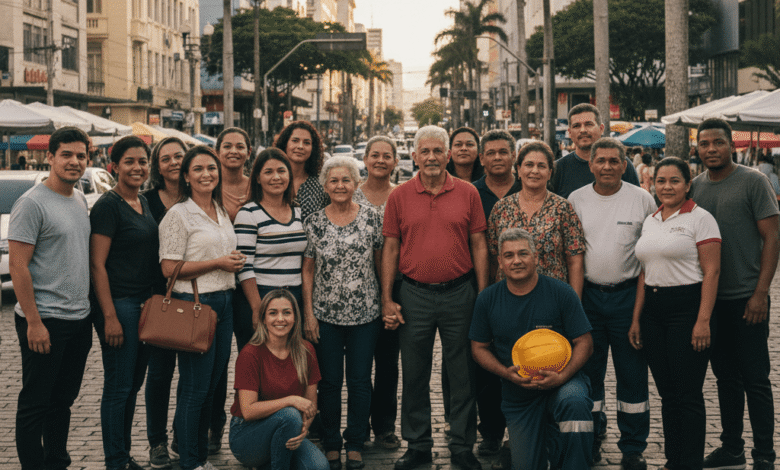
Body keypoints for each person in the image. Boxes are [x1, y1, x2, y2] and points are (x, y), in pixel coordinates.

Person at [383, 125, 488, 470]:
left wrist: (483, 296)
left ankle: (461, 444)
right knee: (414, 374)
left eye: (437, 151)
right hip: (414, 295)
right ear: (413, 156)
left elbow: (478, 244)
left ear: (447, 155)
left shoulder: (468, 192)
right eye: (424, 151)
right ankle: (418, 444)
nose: (430, 157)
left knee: (462, 373)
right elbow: (391, 247)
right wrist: (387, 297)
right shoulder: (398, 196)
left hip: (460, 293)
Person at [691, 118, 780, 470]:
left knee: (756, 379)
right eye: (705, 143)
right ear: (696, 148)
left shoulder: (753, 182)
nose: (711, 149)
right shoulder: (694, 187)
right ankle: (732, 447)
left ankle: (764, 455)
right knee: (725, 378)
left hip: (747, 299)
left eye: (718, 142)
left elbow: (772, 238)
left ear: (732, 146)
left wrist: (761, 293)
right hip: (711, 302)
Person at [470, 228, 594, 470]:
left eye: (523, 253)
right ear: (500, 262)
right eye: (509, 255)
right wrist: (506, 373)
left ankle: (575, 464)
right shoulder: (487, 299)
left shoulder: (561, 293)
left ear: (536, 257)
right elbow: (479, 348)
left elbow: (585, 343)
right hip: (519, 395)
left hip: (564, 382)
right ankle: (548, 443)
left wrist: (562, 376)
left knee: (575, 403)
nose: (516, 260)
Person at [568, 137, 656, 470]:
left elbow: (649, 258)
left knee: (632, 375)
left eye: (613, 161)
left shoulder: (642, 200)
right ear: (590, 164)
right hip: (588, 297)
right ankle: (591, 437)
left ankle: (633, 447)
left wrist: (638, 313)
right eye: (600, 160)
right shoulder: (576, 199)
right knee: (589, 374)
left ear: (624, 164)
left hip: (628, 298)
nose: (607, 166)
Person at [628, 156, 722, 470]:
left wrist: (703, 320)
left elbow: (712, 272)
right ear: (652, 183)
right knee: (667, 393)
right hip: (653, 312)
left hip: (687, 309)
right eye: (661, 181)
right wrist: (636, 318)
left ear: (688, 184)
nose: (667, 187)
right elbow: (644, 272)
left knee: (688, 393)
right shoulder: (651, 219)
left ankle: (691, 462)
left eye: (674, 181)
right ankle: (674, 460)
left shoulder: (701, 218)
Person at [8, 127, 93, 470]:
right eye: (67, 155)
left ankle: (57, 462)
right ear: (51, 157)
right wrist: (34, 322)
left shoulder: (79, 198)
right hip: (45, 319)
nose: (74, 162)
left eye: (81, 156)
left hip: (78, 318)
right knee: (35, 403)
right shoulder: (31, 203)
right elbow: (18, 266)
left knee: (63, 401)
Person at [158, 145, 246, 470]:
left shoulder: (220, 211)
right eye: (198, 169)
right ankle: (191, 461)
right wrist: (218, 262)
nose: (206, 174)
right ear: (186, 177)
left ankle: (197, 455)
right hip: (196, 304)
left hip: (224, 302)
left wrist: (229, 262)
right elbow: (169, 268)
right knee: (195, 389)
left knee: (211, 387)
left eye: (211, 168)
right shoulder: (179, 215)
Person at [302, 156, 384, 470]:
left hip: (366, 314)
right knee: (331, 383)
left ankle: (355, 442)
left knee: (361, 382)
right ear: (325, 186)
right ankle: (332, 442)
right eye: (333, 181)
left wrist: (384, 300)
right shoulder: (314, 222)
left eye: (346, 180)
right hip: (326, 315)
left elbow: (380, 264)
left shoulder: (372, 218)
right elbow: (307, 271)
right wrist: (309, 314)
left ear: (355, 183)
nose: (340, 186)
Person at [89, 135, 157, 470]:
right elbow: (96, 264)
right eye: (129, 161)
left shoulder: (142, 202)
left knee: (132, 386)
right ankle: (116, 460)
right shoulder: (108, 205)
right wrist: (109, 317)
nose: (137, 167)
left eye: (142, 161)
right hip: (121, 307)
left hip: (145, 307)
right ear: (113, 166)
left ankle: (124, 455)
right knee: (118, 387)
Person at [228, 289, 328, 470]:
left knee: (319, 467)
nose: (280, 319)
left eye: (287, 313)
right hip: (247, 436)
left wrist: (305, 427)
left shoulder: (306, 351)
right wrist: (291, 400)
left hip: (290, 430)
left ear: (295, 318)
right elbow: (248, 410)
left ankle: (272, 463)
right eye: (273, 313)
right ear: (263, 319)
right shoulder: (250, 354)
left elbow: (310, 404)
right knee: (290, 414)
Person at [469, 130, 522, 461]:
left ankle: (521, 432)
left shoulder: (530, 185)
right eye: (491, 153)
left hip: (528, 292)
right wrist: (482, 291)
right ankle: (490, 432)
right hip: (487, 292)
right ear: (482, 158)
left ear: (513, 156)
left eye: (504, 152)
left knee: (524, 359)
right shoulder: (472, 193)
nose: (498, 157)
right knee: (487, 367)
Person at [354, 136, 402, 449]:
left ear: (396, 161)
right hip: (355, 288)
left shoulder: (403, 195)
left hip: (396, 286)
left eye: (387, 156)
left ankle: (384, 426)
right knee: (358, 363)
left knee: (387, 360)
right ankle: (357, 427)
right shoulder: (350, 192)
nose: (380, 160)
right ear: (366, 159)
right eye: (375, 155)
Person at [488, 141, 585, 294]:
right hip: (509, 296)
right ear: (519, 170)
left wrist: (574, 303)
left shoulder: (563, 208)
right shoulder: (501, 209)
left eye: (541, 166)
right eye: (529, 165)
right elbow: (494, 258)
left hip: (553, 296)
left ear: (550, 173)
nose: (535, 171)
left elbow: (575, 261)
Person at [209, 127, 254, 454]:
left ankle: (256, 425)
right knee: (216, 363)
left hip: (253, 287)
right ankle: (213, 426)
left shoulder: (259, 184)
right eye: (228, 146)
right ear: (218, 150)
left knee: (255, 360)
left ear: (248, 152)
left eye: (240, 146)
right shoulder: (207, 185)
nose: (234, 151)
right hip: (218, 286)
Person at [234, 148, 306, 350]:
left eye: (282, 171)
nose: (276, 177)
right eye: (268, 172)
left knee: (290, 366)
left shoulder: (298, 211)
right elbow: (243, 266)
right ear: (257, 178)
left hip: (294, 299)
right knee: (259, 368)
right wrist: (259, 310)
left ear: (289, 176)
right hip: (261, 297)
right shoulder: (248, 213)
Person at [551, 103, 640, 199]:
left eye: (589, 124)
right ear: (570, 133)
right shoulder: (557, 170)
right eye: (576, 126)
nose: (583, 130)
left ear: (601, 129)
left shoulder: (619, 163)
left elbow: (637, 202)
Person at [274, 121, 328, 222]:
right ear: (285, 144)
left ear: (313, 148)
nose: (300, 146)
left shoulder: (321, 185)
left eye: (306, 143)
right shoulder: (270, 180)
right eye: (295, 140)